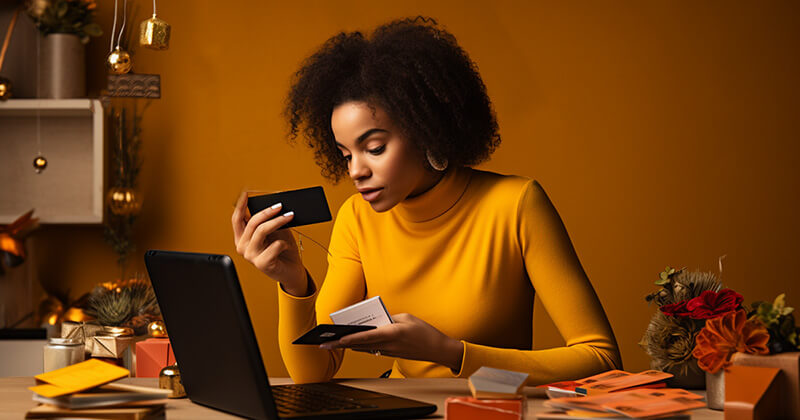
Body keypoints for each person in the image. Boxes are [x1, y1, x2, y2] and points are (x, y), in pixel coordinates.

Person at [231, 17, 621, 385]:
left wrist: (450, 353)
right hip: (400, 406)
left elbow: (602, 360)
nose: (356, 171)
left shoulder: (517, 205)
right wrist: (294, 284)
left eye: (375, 148)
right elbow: (313, 374)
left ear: (428, 131)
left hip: (489, 408)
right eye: (346, 154)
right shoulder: (357, 218)